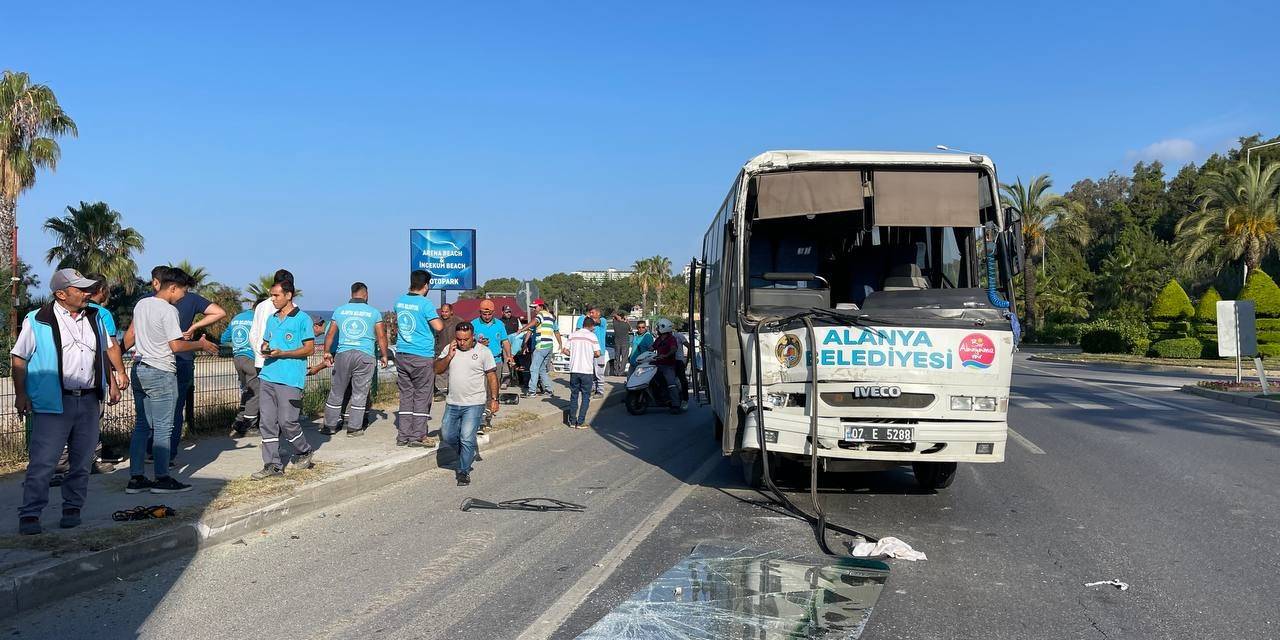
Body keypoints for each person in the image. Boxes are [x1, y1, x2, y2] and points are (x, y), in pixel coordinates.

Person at [12, 269, 121, 535]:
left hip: (88, 400)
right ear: (61, 294)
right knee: (44, 462)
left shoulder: (95, 317)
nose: (87, 294)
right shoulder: (38, 319)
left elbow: (108, 349)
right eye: (80, 290)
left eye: (87, 289)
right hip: (52, 402)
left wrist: (115, 378)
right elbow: (19, 358)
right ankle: (30, 514)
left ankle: (72, 508)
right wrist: (21, 394)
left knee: (82, 460)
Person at [122, 268, 217, 494]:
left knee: (142, 426)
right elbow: (176, 346)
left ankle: (136, 478)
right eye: (183, 291)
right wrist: (201, 345)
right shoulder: (168, 310)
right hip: (161, 371)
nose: (184, 296)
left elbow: (133, 335)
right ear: (172, 287)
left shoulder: (142, 304)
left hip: (140, 368)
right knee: (164, 427)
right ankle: (162, 478)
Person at [252, 280, 317, 479]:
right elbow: (265, 341)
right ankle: (272, 465)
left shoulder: (302, 319)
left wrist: (283, 353)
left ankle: (303, 450)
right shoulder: (271, 319)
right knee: (267, 422)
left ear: (288, 295)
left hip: (290, 378)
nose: (272, 299)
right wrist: (264, 349)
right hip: (268, 376)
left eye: (276, 295)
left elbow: (310, 348)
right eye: (271, 295)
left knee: (287, 421)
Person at [434, 321, 499, 486]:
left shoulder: (484, 352)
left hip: (474, 403)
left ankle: (463, 471)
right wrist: (449, 355)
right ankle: (467, 454)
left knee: (466, 437)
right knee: (448, 435)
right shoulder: (451, 348)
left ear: (473, 337)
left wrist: (494, 399)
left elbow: (491, 376)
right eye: (459, 339)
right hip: (453, 402)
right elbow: (437, 369)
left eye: (466, 339)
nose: (462, 343)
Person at [320, 282, 388, 437]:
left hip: (343, 354)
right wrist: (384, 355)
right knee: (360, 392)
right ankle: (354, 428)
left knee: (337, 391)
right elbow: (381, 335)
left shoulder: (340, 311)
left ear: (351, 294)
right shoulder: (374, 313)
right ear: (366, 294)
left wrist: (326, 352)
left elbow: (330, 334)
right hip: (365, 355)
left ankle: (329, 426)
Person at [393, 270, 445, 447]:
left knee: (406, 395)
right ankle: (418, 436)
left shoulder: (399, 302)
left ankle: (403, 435)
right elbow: (438, 327)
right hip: (421, 354)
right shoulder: (425, 304)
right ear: (426, 285)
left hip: (401, 353)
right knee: (422, 396)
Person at [219, 303, 260, 438]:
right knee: (256, 392)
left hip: (238, 358)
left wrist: (237, 345)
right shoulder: (258, 318)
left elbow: (224, 339)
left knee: (247, 390)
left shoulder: (237, 317)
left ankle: (239, 421)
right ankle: (249, 425)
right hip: (252, 358)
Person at [472, 299, 513, 431]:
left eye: (489, 314)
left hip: (496, 362)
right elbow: (467, 342)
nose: (487, 316)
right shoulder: (473, 324)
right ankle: (478, 418)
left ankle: (487, 417)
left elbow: (505, 341)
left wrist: (509, 355)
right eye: (484, 314)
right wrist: (478, 344)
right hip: (479, 362)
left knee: (492, 391)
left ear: (493, 312)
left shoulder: (499, 324)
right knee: (480, 391)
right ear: (480, 312)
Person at [563, 315, 600, 429]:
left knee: (574, 395)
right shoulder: (592, 336)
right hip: (586, 370)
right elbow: (598, 353)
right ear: (591, 326)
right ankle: (581, 421)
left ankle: (572, 421)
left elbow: (565, 350)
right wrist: (589, 354)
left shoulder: (573, 335)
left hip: (574, 369)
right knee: (585, 396)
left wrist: (573, 354)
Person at [520, 299, 562, 398]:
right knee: (542, 369)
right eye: (533, 308)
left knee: (533, 368)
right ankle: (549, 390)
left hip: (541, 346)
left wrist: (522, 329)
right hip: (549, 346)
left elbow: (532, 324)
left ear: (541, 306)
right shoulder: (551, 317)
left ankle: (532, 392)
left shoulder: (540, 315)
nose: (534, 309)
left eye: (535, 307)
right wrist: (560, 344)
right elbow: (556, 331)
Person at [575, 307, 609, 397]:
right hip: (589, 352)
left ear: (598, 313)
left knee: (599, 373)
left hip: (599, 352)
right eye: (590, 312)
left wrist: (586, 317)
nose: (591, 314)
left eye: (592, 312)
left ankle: (600, 391)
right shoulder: (588, 321)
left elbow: (595, 321)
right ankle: (593, 389)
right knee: (591, 372)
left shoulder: (603, 321)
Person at [651, 318, 682, 413]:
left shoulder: (671, 339)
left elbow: (673, 349)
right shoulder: (659, 339)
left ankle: (675, 405)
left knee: (671, 384)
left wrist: (666, 355)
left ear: (663, 328)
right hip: (658, 365)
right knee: (652, 381)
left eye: (658, 327)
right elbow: (652, 347)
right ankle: (661, 399)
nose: (657, 329)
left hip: (668, 365)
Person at [433, 303, 464, 396]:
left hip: (455, 351)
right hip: (440, 351)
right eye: (442, 311)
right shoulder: (437, 322)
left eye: (446, 312)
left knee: (455, 372)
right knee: (441, 372)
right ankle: (440, 393)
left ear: (451, 312)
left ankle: (454, 391)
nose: (444, 313)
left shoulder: (458, 321)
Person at [610, 311, 631, 376]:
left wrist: (616, 316)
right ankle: (621, 372)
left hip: (617, 343)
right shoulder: (626, 324)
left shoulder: (615, 324)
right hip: (625, 343)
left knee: (617, 357)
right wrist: (626, 320)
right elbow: (630, 329)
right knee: (624, 358)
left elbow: (613, 315)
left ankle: (616, 371)